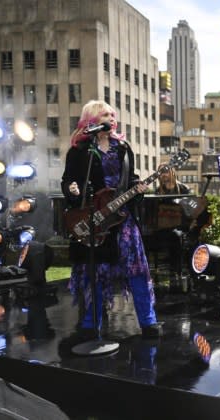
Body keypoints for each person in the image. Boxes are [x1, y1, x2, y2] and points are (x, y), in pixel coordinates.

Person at [61, 100, 162, 338]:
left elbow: (133, 179)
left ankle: (148, 322)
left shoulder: (123, 148)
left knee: (137, 269)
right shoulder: (80, 150)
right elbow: (68, 180)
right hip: (95, 217)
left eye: (113, 115)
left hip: (122, 215)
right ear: (93, 120)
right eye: (107, 114)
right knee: (94, 271)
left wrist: (138, 188)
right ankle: (90, 324)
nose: (112, 118)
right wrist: (72, 189)